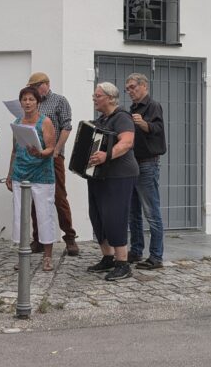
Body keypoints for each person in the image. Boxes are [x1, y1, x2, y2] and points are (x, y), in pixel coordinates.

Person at [85, 82, 138, 281]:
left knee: (115, 216)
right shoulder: (102, 119)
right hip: (99, 175)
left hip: (120, 175)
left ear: (109, 97)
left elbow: (126, 142)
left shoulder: (122, 117)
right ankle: (107, 257)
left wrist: (106, 155)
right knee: (98, 216)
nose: (94, 98)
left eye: (97, 95)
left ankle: (122, 264)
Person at [27, 72, 80, 256]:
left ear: (46, 84)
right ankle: (38, 239)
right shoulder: (33, 102)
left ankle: (70, 237)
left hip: (53, 156)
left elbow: (66, 126)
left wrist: (57, 149)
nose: (33, 90)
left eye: (36, 86)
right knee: (35, 198)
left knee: (59, 196)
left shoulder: (59, 101)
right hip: (34, 156)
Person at [6, 86, 58, 272]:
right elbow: (15, 150)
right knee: (20, 215)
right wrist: (10, 173)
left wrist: (40, 153)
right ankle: (23, 255)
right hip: (21, 172)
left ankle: (47, 257)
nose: (27, 103)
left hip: (41, 174)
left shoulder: (45, 122)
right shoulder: (17, 122)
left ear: (37, 102)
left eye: (31, 99)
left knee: (44, 215)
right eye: (24, 99)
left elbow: (51, 148)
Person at [125, 73, 167, 269]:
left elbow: (158, 128)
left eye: (133, 87)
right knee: (133, 211)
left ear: (144, 86)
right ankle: (136, 250)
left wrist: (144, 124)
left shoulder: (153, 106)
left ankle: (156, 256)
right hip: (133, 164)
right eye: (128, 89)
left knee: (151, 211)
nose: (130, 91)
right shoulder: (132, 109)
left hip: (148, 164)